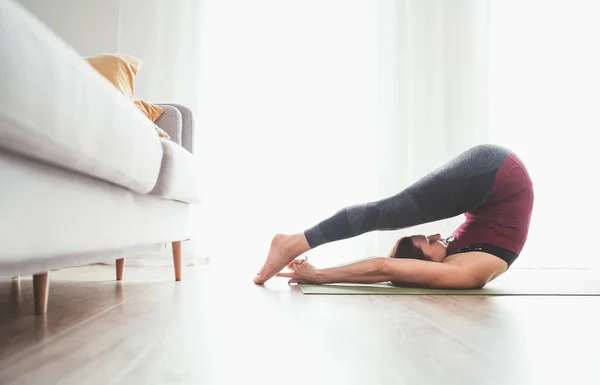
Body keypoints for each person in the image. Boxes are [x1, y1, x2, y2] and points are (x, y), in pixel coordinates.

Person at [253, 144, 534, 289]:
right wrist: (318, 276)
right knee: (385, 213)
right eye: (431, 243)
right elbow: (385, 268)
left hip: (494, 174)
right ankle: (291, 243)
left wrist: (319, 275)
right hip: (497, 175)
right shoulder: (465, 273)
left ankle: (293, 243)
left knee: (386, 213)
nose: (438, 236)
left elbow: (385, 268)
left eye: (431, 240)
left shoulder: (459, 263)